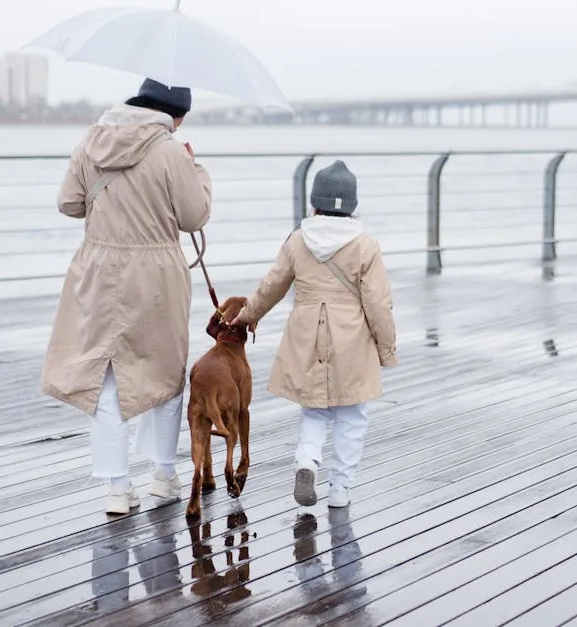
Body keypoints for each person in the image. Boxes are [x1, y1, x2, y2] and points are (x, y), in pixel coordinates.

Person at [40, 78, 213, 515]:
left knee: (106, 379)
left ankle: (117, 487)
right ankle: (164, 475)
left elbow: (68, 203)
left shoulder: (91, 141)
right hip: (156, 274)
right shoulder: (172, 151)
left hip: (98, 270)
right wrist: (195, 168)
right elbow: (194, 216)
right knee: (165, 375)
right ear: (175, 115)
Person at [232, 160, 398, 508]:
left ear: (314, 201)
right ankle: (340, 489)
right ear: (352, 204)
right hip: (351, 338)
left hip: (306, 335)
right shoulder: (365, 244)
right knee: (352, 415)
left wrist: (247, 316)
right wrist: (386, 348)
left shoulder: (298, 239)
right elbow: (378, 304)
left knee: (314, 410)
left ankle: (307, 461)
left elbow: (272, 286)